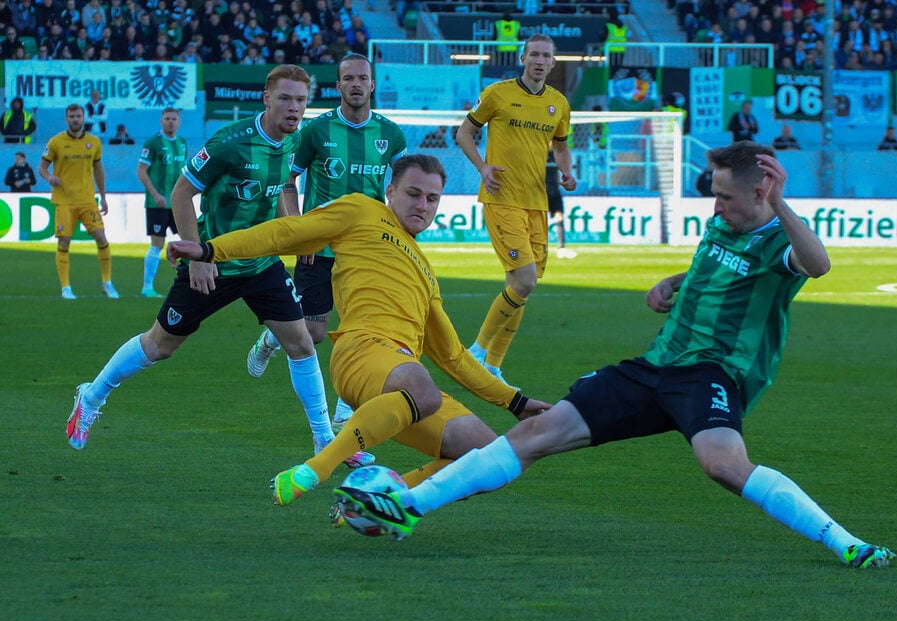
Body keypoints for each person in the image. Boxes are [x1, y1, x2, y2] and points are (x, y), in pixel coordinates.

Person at [333, 142, 897, 572]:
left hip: (710, 376)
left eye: (725, 195)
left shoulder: (778, 240)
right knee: (537, 434)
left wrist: (782, 205)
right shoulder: (720, 224)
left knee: (723, 465)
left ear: (760, 193)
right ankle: (407, 506)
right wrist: (674, 282)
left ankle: (846, 543)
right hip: (652, 368)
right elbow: (716, 269)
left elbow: (817, 264)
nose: (715, 203)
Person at [166, 155, 550, 510]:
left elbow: (453, 356)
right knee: (421, 387)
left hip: (401, 376)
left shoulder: (426, 272)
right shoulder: (361, 210)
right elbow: (288, 231)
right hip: (362, 352)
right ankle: (314, 470)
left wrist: (515, 402)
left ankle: (384, 501)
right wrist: (210, 250)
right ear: (390, 192)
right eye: (413, 194)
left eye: (432, 199)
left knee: (488, 456)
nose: (422, 205)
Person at [63, 66, 369, 473]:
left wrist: (293, 232)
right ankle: (92, 396)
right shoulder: (230, 142)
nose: (294, 108)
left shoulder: (296, 139)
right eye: (285, 99)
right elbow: (182, 192)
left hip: (262, 263)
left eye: (300, 100)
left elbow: (281, 189)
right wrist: (197, 259)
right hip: (214, 261)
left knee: (301, 343)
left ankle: (323, 439)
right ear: (266, 97)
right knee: (161, 346)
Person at [245, 53, 408, 432]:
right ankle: (271, 339)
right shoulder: (316, 131)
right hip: (318, 249)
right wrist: (299, 231)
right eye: (348, 78)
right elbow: (288, 182)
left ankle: (345, 409)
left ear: (372, 85)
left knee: (364, 331)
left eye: (362, 78)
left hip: (367, 249)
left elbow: (401, 187)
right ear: (338, 86)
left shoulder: (391, 134)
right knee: (315, 333)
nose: (355, 84)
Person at [455, 34, 575, 387]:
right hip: (502, 198)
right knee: (524, 280)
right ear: (523, 58)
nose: (540, 61)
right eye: (534, 54)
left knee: (522, 285)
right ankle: (475, 352)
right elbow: (463, 134)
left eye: (546, 56)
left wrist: (568, 172)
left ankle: (493, 365)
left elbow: (562, 146)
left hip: (536, 203)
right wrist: (483, 167)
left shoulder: (559, 103)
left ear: (553, 63)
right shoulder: (497, 93)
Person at [39, 104, 116, 300]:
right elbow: (42, 168)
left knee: (101, 238)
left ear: (84, 118)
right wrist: (49, 178)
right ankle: (66, 287)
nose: (75, 119)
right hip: (64, 201)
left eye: (78, 116)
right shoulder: (56, 142)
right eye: (72, 116)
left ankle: (107, 283)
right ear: (66, 119)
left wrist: (104, 197)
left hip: (87, 201)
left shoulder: (94, 142)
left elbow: (99, 170)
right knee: (64, 242)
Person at [136, 107, 187, 298]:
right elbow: (141, 171)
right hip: (157, 203)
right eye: (167, 119)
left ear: (179, 121)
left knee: (190, 239)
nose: (170, 122)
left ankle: (191, 283)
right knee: (157, 243)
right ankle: (147, 286)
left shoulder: (182, 143)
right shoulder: (154, 142)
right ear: (161, 121)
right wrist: (156, 194)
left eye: (174, 119)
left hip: (178, 203)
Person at [546, 148, 575, 259]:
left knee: (559, 218)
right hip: (539, 191)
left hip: (554, 191)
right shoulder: (537, 153)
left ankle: (561, 248)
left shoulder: (556, 154)